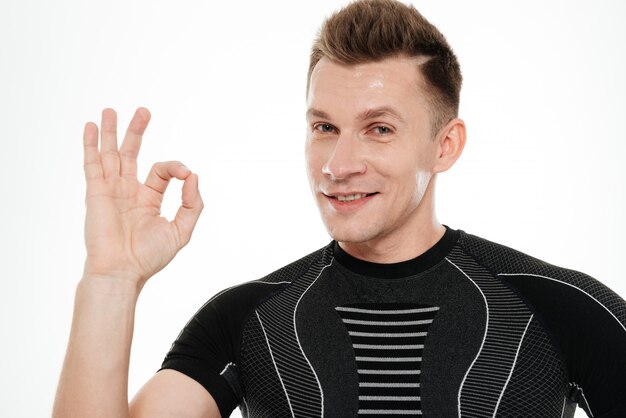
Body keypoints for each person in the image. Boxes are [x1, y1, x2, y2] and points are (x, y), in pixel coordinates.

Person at [52, 0, 626, 417]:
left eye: (378, 129)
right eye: (324, 127)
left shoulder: (561, 308)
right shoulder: (248, 320)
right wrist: (111, 278)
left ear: (444, 145)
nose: (338, 164)